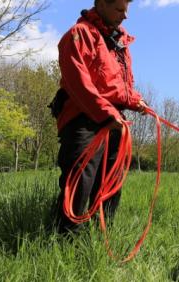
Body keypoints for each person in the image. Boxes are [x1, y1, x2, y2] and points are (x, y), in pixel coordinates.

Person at [53, 0, 147, 233]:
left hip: (114, 119)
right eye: (119, 10)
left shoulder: (119, 44)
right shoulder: (79, 35)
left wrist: (136, 101)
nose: (124, 16)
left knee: (112, 179)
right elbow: (79, 82)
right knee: (80, 180)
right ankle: (65, 239)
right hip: (83, 118)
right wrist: (106, 114)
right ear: (102, 4)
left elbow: (118, 85)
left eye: (127, 10)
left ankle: (101, 234)